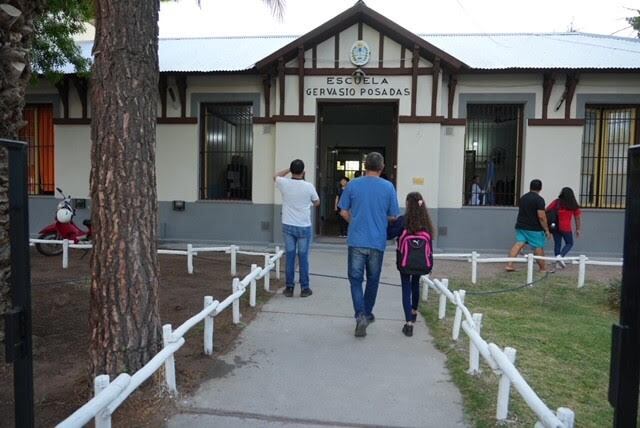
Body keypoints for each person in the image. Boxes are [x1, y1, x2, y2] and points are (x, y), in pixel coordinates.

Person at [338, 152, 400, 338]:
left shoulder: (353, 184)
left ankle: (360, 315)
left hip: (356, 239)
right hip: (377, 240)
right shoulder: (388, 187)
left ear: (365, 166)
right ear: (382, 167)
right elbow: (394, 216)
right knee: (373, 279)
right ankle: (367, 313)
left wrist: (354, 221)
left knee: (355, 280)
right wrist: (381, 218)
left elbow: (342, 211)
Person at [387, 192, 435, 337]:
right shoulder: (426, 222)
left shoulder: (403, 220)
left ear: (408, 204)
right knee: (415, 284)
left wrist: (391, 222)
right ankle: (414, 312)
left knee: (406, 288)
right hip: (421, 262)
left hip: (405, 261)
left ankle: (408, 323)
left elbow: (389, 234)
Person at [274, 160, 320, 298]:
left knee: (290, 256)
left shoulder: (284, 183)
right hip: (304, 226)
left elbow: (275, 175)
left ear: (292, 171)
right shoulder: (308, 186)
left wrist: (288, 169)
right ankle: (305, 288)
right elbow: (316, 202)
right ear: (303, 172)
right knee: (303, 257)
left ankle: (289, 288)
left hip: (288, 224)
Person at [505, 179, 551, 273]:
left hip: (521, 225)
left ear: (530, 187)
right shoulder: (539, 200)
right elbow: (541, 216)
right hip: (534, 228)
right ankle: (543, 268)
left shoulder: (523, 198)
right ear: (540, 188)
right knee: (538, 247)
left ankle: (509, 265)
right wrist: (546, 229)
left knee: (519, 244)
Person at [546, 187, 582, 268]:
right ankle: (560, 256)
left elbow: (547, 210)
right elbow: (577, 218)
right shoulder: (573, 204)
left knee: (557, 244)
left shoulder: (557, 202)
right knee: (569, 243)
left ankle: (557, 261)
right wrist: (578, 229)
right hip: (566, 227)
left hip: (555, 226)